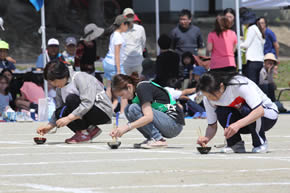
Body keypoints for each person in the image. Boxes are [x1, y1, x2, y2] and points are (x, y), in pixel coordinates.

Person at [197, 71, 278, 153]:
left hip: (267, 116)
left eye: (211, 95)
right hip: (244, 123)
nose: (210, 99)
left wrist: (237, 124)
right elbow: (212, 126)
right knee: (221, 111)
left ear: (221, 86)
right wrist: (206, 138)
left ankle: (260, 143)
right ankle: (235, 144)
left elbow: (259, 111)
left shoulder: (240, 84)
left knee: (247, 109)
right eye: (207, 96)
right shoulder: (207, 98)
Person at [37, 60, 112, 144]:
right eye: (50, 82)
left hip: (101, 110)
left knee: (71, 99)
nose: (53, 84)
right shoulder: (59, 88)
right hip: (85, 112)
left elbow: (87, 102)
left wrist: (69, 118)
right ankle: (90, 129)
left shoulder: (80, 77)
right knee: (59, 112)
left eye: (54, 81)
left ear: (62, 75)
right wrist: (50, 126)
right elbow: (60, 109)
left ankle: (83, 134)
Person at [110, 73, 184, 149]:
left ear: (129, 87)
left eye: (122, 95)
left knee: (133, 108)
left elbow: (149, 117)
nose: (123, 98)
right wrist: (120, 131)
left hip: (174, 124)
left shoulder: (142, 88)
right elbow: (137, 118)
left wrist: (126, 127)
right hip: (164, 122)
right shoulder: (132, 95)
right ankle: (151, 138)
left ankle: (158, 139)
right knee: (127, 110)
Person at [103, 15, 129, 118]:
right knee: (124, 87)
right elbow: (117, 54)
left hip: (108, 62)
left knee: (109, 87)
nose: (128, 27)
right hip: (115, 64)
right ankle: (123, 112)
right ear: (123, 24)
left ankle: (107, 110)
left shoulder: (114, 34)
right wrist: (119, 70)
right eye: (127, 24)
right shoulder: (118, 36)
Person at [240, 12, 265, 84]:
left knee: (252, 84)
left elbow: (246, 45)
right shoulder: (257, 29)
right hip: (259, 61)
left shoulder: (251, 29)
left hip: (253, 61)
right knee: (256, 83)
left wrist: (238, 44)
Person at [122, 8, 146, 76]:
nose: (130, 18)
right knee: (126, 84)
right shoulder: (121, 30)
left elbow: (143, 44)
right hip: (125, 64)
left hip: (138, 63)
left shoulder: (140, 29)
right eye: (127, 16)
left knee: (137, 84)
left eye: (131, 16)